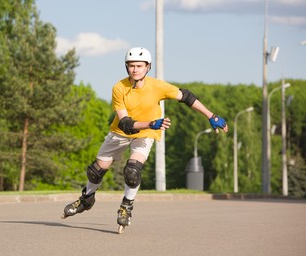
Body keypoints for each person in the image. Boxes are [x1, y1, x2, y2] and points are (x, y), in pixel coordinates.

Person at [61, 47, 228, 232]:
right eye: (131, 66)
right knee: (95, 171)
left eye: (139, 66)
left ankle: (126, 206)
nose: (135, 70)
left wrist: (211, 116)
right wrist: (150, 123)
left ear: (148, 67)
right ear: (126, 67)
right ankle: (86, 199)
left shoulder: (158, 86)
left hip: (146, 133)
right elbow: (125, 123)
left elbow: (187, 97)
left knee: (132, 171)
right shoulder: (119, 88)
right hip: (122, 131)